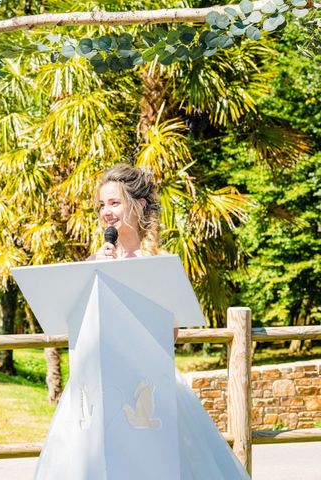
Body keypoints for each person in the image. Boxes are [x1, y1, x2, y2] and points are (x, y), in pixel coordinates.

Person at [89, 163, 249, 478]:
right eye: (102, 204)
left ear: (140, 204)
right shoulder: (95, 260)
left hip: (150, 381)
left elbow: (172, 333)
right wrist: (94, 270)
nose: (106, 212)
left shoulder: (159, 262)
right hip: (100, 382)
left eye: (114, 203)